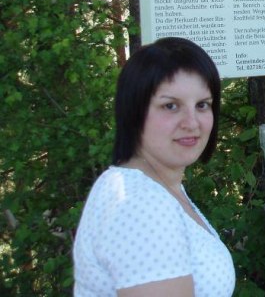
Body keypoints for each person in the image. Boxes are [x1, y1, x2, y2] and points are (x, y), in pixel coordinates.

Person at [73, 37, 235, 296]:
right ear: (134, 111)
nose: (192, 122)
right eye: (171, 106)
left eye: (202, 105)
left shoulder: (157, 187)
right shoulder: (139, 202)